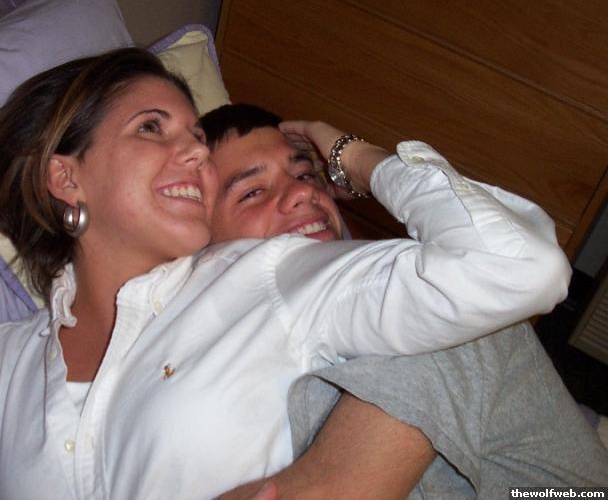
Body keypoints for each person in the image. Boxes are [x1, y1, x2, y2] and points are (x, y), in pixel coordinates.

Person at [0, 47, 572, 499]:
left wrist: (353, 156)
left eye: (197, 137)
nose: (194, 152)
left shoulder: (263, 275)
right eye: (151, 128)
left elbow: (515, 267)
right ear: (66, 177)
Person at [199, 103, 608, 498]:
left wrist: (353, 157)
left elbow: (518, 265)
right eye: (252, 192)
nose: (303, 193)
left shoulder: (433, 299)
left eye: (306, 175)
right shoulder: (223, 351)